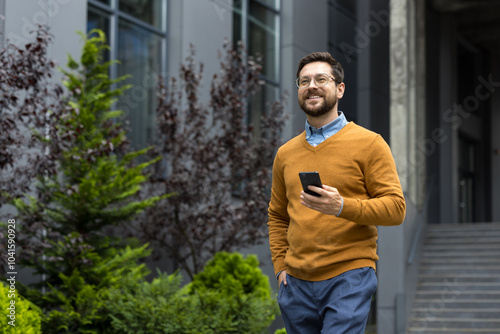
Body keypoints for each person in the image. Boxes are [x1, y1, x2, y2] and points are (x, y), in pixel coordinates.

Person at [267, 52, 406, 333]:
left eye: (321, 79)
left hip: (349, 276)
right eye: (304, 81)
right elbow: (277, 216)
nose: (311, 86)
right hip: (295, 283)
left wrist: (341, 206)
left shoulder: (370, 144)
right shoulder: (285, 153)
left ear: (340, 89)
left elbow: (395, 209)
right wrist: (281, 265)